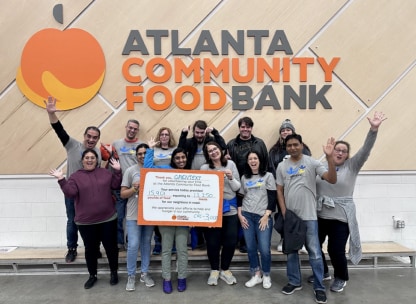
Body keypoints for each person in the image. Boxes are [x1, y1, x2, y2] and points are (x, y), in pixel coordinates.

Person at [313, 112, 387, 293]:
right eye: (337, 149)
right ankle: (323, 272)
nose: (339, 152)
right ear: (331, 150)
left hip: (341, 216)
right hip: (321, 214)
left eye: (343, 151)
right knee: (313, 246)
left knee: (335, 249)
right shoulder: (321, 166)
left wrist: (374, 129)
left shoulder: (352, 166)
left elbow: (366, 149)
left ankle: (341, 277)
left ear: (347, 155)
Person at [276, 134, 337, 304]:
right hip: (291, 218)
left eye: (296, 144)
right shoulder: (281, 166)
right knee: (291, 252)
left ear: (302, 145)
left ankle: (319, 287)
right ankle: (295, 282)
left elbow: (332, 179)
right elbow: (279, 190)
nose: (293, 147)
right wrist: (284, 212)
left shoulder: (312, 162)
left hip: (309, 216)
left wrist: (330, 158)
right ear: (285, 147)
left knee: (315, 253)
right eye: (289, 145)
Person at [49, 149, 121, 289]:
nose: (89, 160)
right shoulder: (75, 177)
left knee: (111, 248)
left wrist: (117, 171)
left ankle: (114, 273)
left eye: (92, 157)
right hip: (86, 222)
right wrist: (61, 179)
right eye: (87, 158)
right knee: (91, 250)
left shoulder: (105, 173)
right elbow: (70, 193)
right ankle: (92, 275)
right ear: (82, 161)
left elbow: (115, 185)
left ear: (97, 160)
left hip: (108, 219)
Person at [44, 96, 101, 263]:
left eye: (95, 137)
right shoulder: (72, 145)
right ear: (84, 136)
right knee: (73, 220)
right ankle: (72, 248)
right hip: (72, 191)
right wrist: (51, 114)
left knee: (93, 221)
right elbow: (58, 129)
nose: (91, 139)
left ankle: (94, 247)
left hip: (90, 194)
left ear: (97, 139)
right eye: (89, 136)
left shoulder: (97, 153)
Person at [144, 138, 189, 294]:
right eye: (177, 158)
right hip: (165, 218)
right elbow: (148, 171)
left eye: (183, 157)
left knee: (182, 250)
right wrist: (150, 150)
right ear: (173, 159)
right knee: (166, 250)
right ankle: (167, 279)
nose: (181, 160)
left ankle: (182, 277)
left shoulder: (192, 175)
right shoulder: (164, 170)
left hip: (183, 218)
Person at [178, 120, 227, 249]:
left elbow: (223, 147)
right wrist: (183, 134)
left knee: (209, 210)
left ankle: (211, 239)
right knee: (195, 212)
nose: (199, 135)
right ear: (193, 132)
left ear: (205, 131)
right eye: (197, 132)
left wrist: (215, 132)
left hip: (208, 181)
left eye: (201, 133)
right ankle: (198, 240)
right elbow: (180, 149)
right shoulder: (190, 142)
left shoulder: (210, 141)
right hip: (193, 182)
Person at [200, 142, 241, 286]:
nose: (213, 152)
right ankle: (214, 271)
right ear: (207, 154)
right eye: (209, 151)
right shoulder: (204, 168)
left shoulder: (231, 164)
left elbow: (237, 187)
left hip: (230, 209)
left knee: (230, 242)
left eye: (215, 149)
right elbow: (201, 190)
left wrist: (230, 178)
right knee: (212, 243)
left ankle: (225, 269)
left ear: (220, 150)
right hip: (212, 210)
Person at [268, 119, 311, 252]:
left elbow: (307, 167)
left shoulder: (304, 148)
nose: (285, 132)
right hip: (282, 189)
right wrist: (279, 184)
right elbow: (271, 168)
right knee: (283, 214)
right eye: (283, 130)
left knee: (300, 215)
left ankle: (301, 241)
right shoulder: (274, 151)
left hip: (298, 189)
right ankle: (284, 238)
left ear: (293, 131)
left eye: (288, 130)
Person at [226, 116, 268, 253]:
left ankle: (246, 242)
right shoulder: (231, 144)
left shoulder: (259, 143)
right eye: (243, 126)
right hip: (237, 184)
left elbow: (266, 163)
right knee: (239, 213)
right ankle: (235, 242)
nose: (245, 129)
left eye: (248, 126)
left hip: (256, 184)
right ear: (239, 128)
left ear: (251, 128)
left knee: (252, 212)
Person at [101, 119, 143, 251]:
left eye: (135, 129)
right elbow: (112, 163)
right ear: (126, 127)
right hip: (120, 188)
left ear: (137, 130)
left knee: (136, 217)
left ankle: (133, 242)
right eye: (130, 127)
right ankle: (119, 243)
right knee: (119, 217)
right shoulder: (116, 144)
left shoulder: (142, 145)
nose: (132, 130)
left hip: (137, 188)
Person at [238, 150, 276, 289]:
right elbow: (240, 197)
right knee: (251, 248)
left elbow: (272, 197)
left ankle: (266, 275)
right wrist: (240, 215)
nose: (253, 161)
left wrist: (266, 215)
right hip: (247, 215)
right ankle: (256, 274)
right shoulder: (244, 178)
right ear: (247, 162)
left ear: (260, 160)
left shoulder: (268, 176)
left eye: (255, 158)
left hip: (262, 217)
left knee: (264, 248)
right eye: (250, 159)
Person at [120, 143, 155, 292]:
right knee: (133, 245)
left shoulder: (154, 170)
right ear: (136, 155)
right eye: (140, 153)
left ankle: (144, 273)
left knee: (146, 244)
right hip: (133, 215)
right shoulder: (130, 171)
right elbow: (122, 194)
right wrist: (134, 188)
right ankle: (131, 275)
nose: (142, 155)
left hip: (149, 214)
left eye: (145, 153)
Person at [151, 127, 177, 255]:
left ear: (170, 136)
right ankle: (158, 243)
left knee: (170, 217)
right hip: (157, 187)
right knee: (158, 217)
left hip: (172, 188)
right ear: (159, 136)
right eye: (162, 134)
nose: (164, 137)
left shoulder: (175, 150)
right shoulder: (153, 149)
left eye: (167, 134)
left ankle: (172, 244)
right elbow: (148, 165)